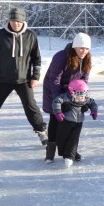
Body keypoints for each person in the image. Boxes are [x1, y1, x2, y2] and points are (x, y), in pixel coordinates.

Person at [0, 8, 47, 148]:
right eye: (13, 20)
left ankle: (41, 131)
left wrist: (35, 76)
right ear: (9, 20)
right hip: (1, 79)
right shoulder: (0, 35)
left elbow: (37, 59)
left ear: (23, 21)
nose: (15, 24)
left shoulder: (30, 36)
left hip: (23, 79)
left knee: (31, 107)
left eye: (18, 21)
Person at [42, 33, 92, 163]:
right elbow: (54, 80)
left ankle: (71, 150)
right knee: (55, 119)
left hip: (73, 92)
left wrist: (84, 100)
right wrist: (58, 101)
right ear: (75, 46)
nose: (84, 51)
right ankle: (50, 152)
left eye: (86, 49)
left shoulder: (86, 58)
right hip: (53, 90)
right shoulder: (61, 57)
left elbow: (84, 81)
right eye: (81, 48)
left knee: (73, 121)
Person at [52, 80, 98, 168]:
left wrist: (94, 110)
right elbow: (56, 101)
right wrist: (58, 112)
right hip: (66, 122)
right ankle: (68, 153)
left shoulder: (85, 98)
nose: (81, 97)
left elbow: (92, 103)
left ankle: (69, 156)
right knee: (62, 139)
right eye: (79, 94)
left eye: (83, 94)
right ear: (71, 91)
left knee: (74, 139)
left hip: (78, 122)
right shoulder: (66, 97)